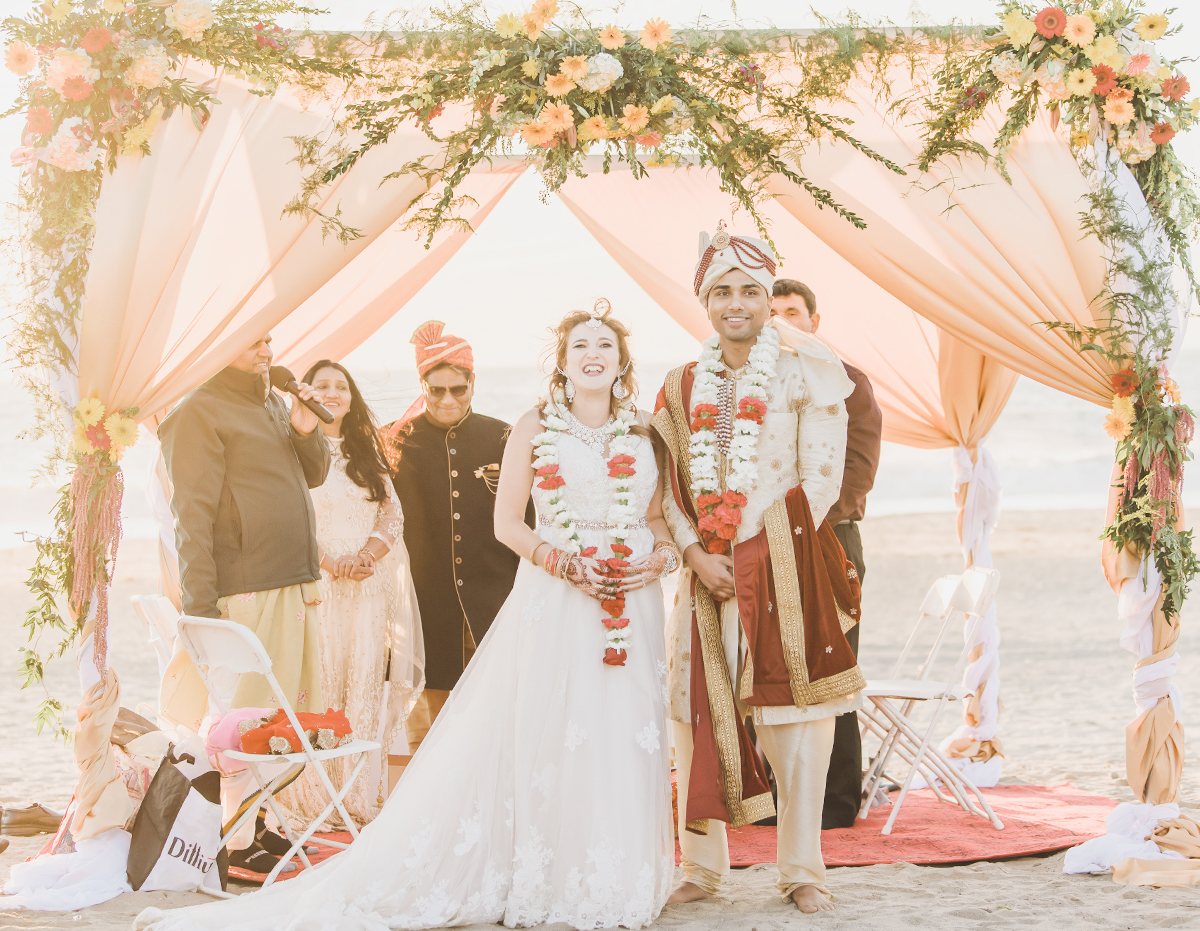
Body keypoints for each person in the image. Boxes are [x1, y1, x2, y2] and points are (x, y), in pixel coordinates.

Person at [136, 302, 678, 931]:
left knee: (621, 730)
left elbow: (661, 520)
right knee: (551, 730)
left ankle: (616, 870)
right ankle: (550, 869)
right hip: (552, 598)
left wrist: (660, 560)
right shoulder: (532, 426)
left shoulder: (645, 431)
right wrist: (561, 562)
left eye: (604, 344)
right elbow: (507, 524)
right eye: (579, 343)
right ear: (561, 361)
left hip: (629, 602)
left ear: (622, 360)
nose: (593, 353)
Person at [653, 226, 865, 914]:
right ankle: (702, 867)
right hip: (703, 574)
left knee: (796, 723)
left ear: (768, 300)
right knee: (694, 714)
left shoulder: (809, 371)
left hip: (783, 564)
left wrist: (749, 556)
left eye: (751, 290)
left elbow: (823, 478)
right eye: (723, 292)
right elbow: (665, 487)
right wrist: (694, 553)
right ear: (705, 303)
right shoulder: (680, 385)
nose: (737, 303)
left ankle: (803, 870)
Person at [157, 333, 330, 873]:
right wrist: (201, 610)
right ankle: (234, 845)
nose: (266, 350)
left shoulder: (274, 400)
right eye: (252, 341)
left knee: (282, 719)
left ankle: (257, 825)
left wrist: (306, 430)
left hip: (294, 582)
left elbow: (316, 475)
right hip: (247, 588)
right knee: (245, 720)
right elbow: (193, 515)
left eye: (269, 339)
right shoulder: (198, 412)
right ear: (219, 345)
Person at [273, 360, 425, 830]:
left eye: (342, 387)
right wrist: (331, 562)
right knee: (317, 685)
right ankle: (309, 797)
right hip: (316, 583)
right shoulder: (291, 449)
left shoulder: (367, 451)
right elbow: (287, 515)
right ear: (304, 394)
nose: (333, 393)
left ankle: (355, 797)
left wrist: (368, 557)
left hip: (366, 587)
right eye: (322, 386)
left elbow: (391, 515)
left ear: (352, 398)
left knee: (360, 688)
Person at [388, 321, 530, 759]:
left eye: (458, 389)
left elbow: (529, 518)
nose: (448, 399)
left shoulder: (505, 437)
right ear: (422, 387)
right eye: (437, 390)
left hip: (494, 596)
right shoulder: (396, 441)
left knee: (497, 707)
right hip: (424, 601)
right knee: (430, 720)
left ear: (473, 384)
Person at [772, 278, 882, 829]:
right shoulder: (757, 383)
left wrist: (802, 523)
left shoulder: (847, 382)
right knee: (772, 669)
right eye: (774, 313)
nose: (782, 322)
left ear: (815, 320)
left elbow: (857, 472)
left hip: (829, 539)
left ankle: (837, 802)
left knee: (830, 671)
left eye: (792, 312)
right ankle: (777, 797)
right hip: (766, 540)